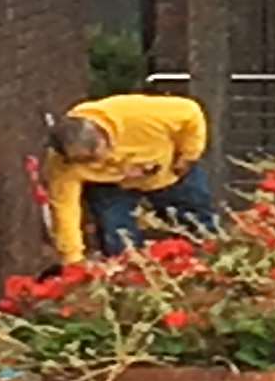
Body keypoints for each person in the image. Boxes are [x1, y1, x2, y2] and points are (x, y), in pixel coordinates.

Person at [41, 94, 219, 265]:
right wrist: (73, 258)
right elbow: (65, 209)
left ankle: (213, 268)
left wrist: (188, 155)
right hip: (110, 187)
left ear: (102, 136)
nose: (91, 164)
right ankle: (131, 280)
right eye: (81, 161)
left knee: (200, 228)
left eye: (91, 157)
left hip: (171, 172)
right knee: (118, 240)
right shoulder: (61, 165)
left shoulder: (139, 115)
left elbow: (191, 112)